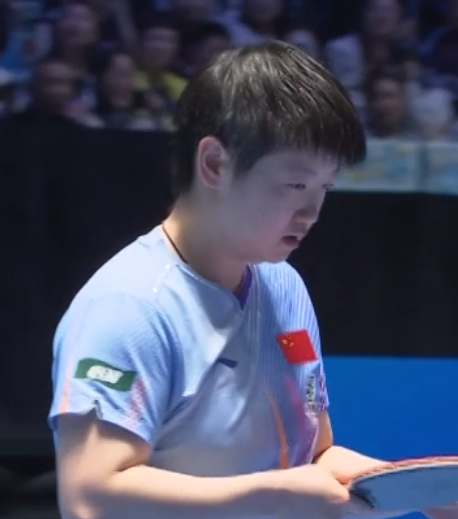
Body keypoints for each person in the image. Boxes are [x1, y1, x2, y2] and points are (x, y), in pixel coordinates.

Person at [48, 41, 458, 519]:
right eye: (295, 185)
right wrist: (272, 494)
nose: (311, 212)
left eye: (325, 187)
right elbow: (89, 497)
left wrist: (422, 490)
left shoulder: (284, 286)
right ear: (215, 164)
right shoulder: (128, 306)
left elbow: (315, 457)